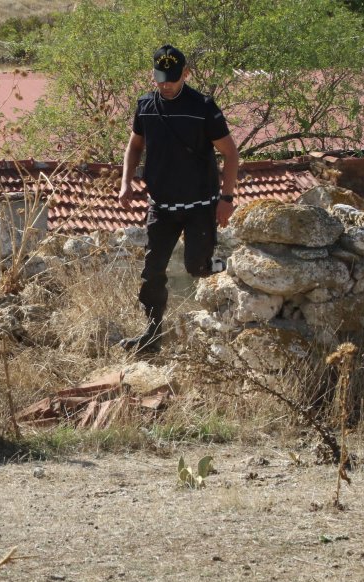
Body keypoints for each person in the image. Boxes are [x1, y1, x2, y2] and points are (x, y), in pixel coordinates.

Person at [117, 45, 239, 354]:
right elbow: (134, 146)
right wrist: (126, 182)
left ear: (186, 74)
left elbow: (230, 153)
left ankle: (230, 280)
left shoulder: (203, 106)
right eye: (160, 78)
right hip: (161, 206)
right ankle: (153, 334)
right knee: (152, 272)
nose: (165, 84)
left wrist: (226, 198)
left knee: (197, 267)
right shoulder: (145, 105)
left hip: (200, 205)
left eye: (172, 78)